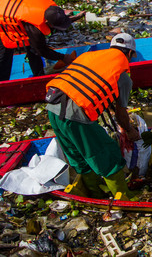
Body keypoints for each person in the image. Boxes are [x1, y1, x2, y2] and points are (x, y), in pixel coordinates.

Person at [45, 33, 140, 200]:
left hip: (52, 107)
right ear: (131, 54)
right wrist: (130, 131)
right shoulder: (123, 75)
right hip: (75, 114)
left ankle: (95, 194)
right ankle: (124, 196)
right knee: (108, 155)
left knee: (78, 156)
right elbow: (121, 114)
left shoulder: (88, 56)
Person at [0, 0, 85, 82]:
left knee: (33, 48)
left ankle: (39, 76)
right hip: (5, 11)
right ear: (46, 22)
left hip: (20, 0)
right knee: (4, 54)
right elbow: (41, 50)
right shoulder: (35, 28)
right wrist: (63, 57)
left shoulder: (49, 2)